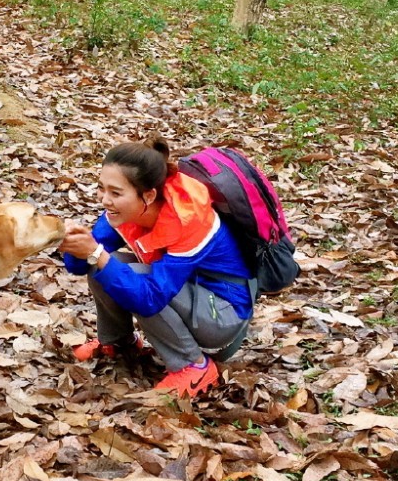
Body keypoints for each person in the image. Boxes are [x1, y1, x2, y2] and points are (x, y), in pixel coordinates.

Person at [59, 136, 254, 397]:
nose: (105, 200)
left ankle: (194, 366)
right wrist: (72, 244)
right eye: (101, 188)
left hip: (222, 313)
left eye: (116, 192)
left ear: (148, 195)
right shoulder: (122, 211)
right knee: (106, 263)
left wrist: (95, 252)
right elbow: (82, 266)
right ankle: (118, 342)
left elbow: (151, 297)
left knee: (127, 272)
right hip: (184, 292)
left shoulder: (189, 221)